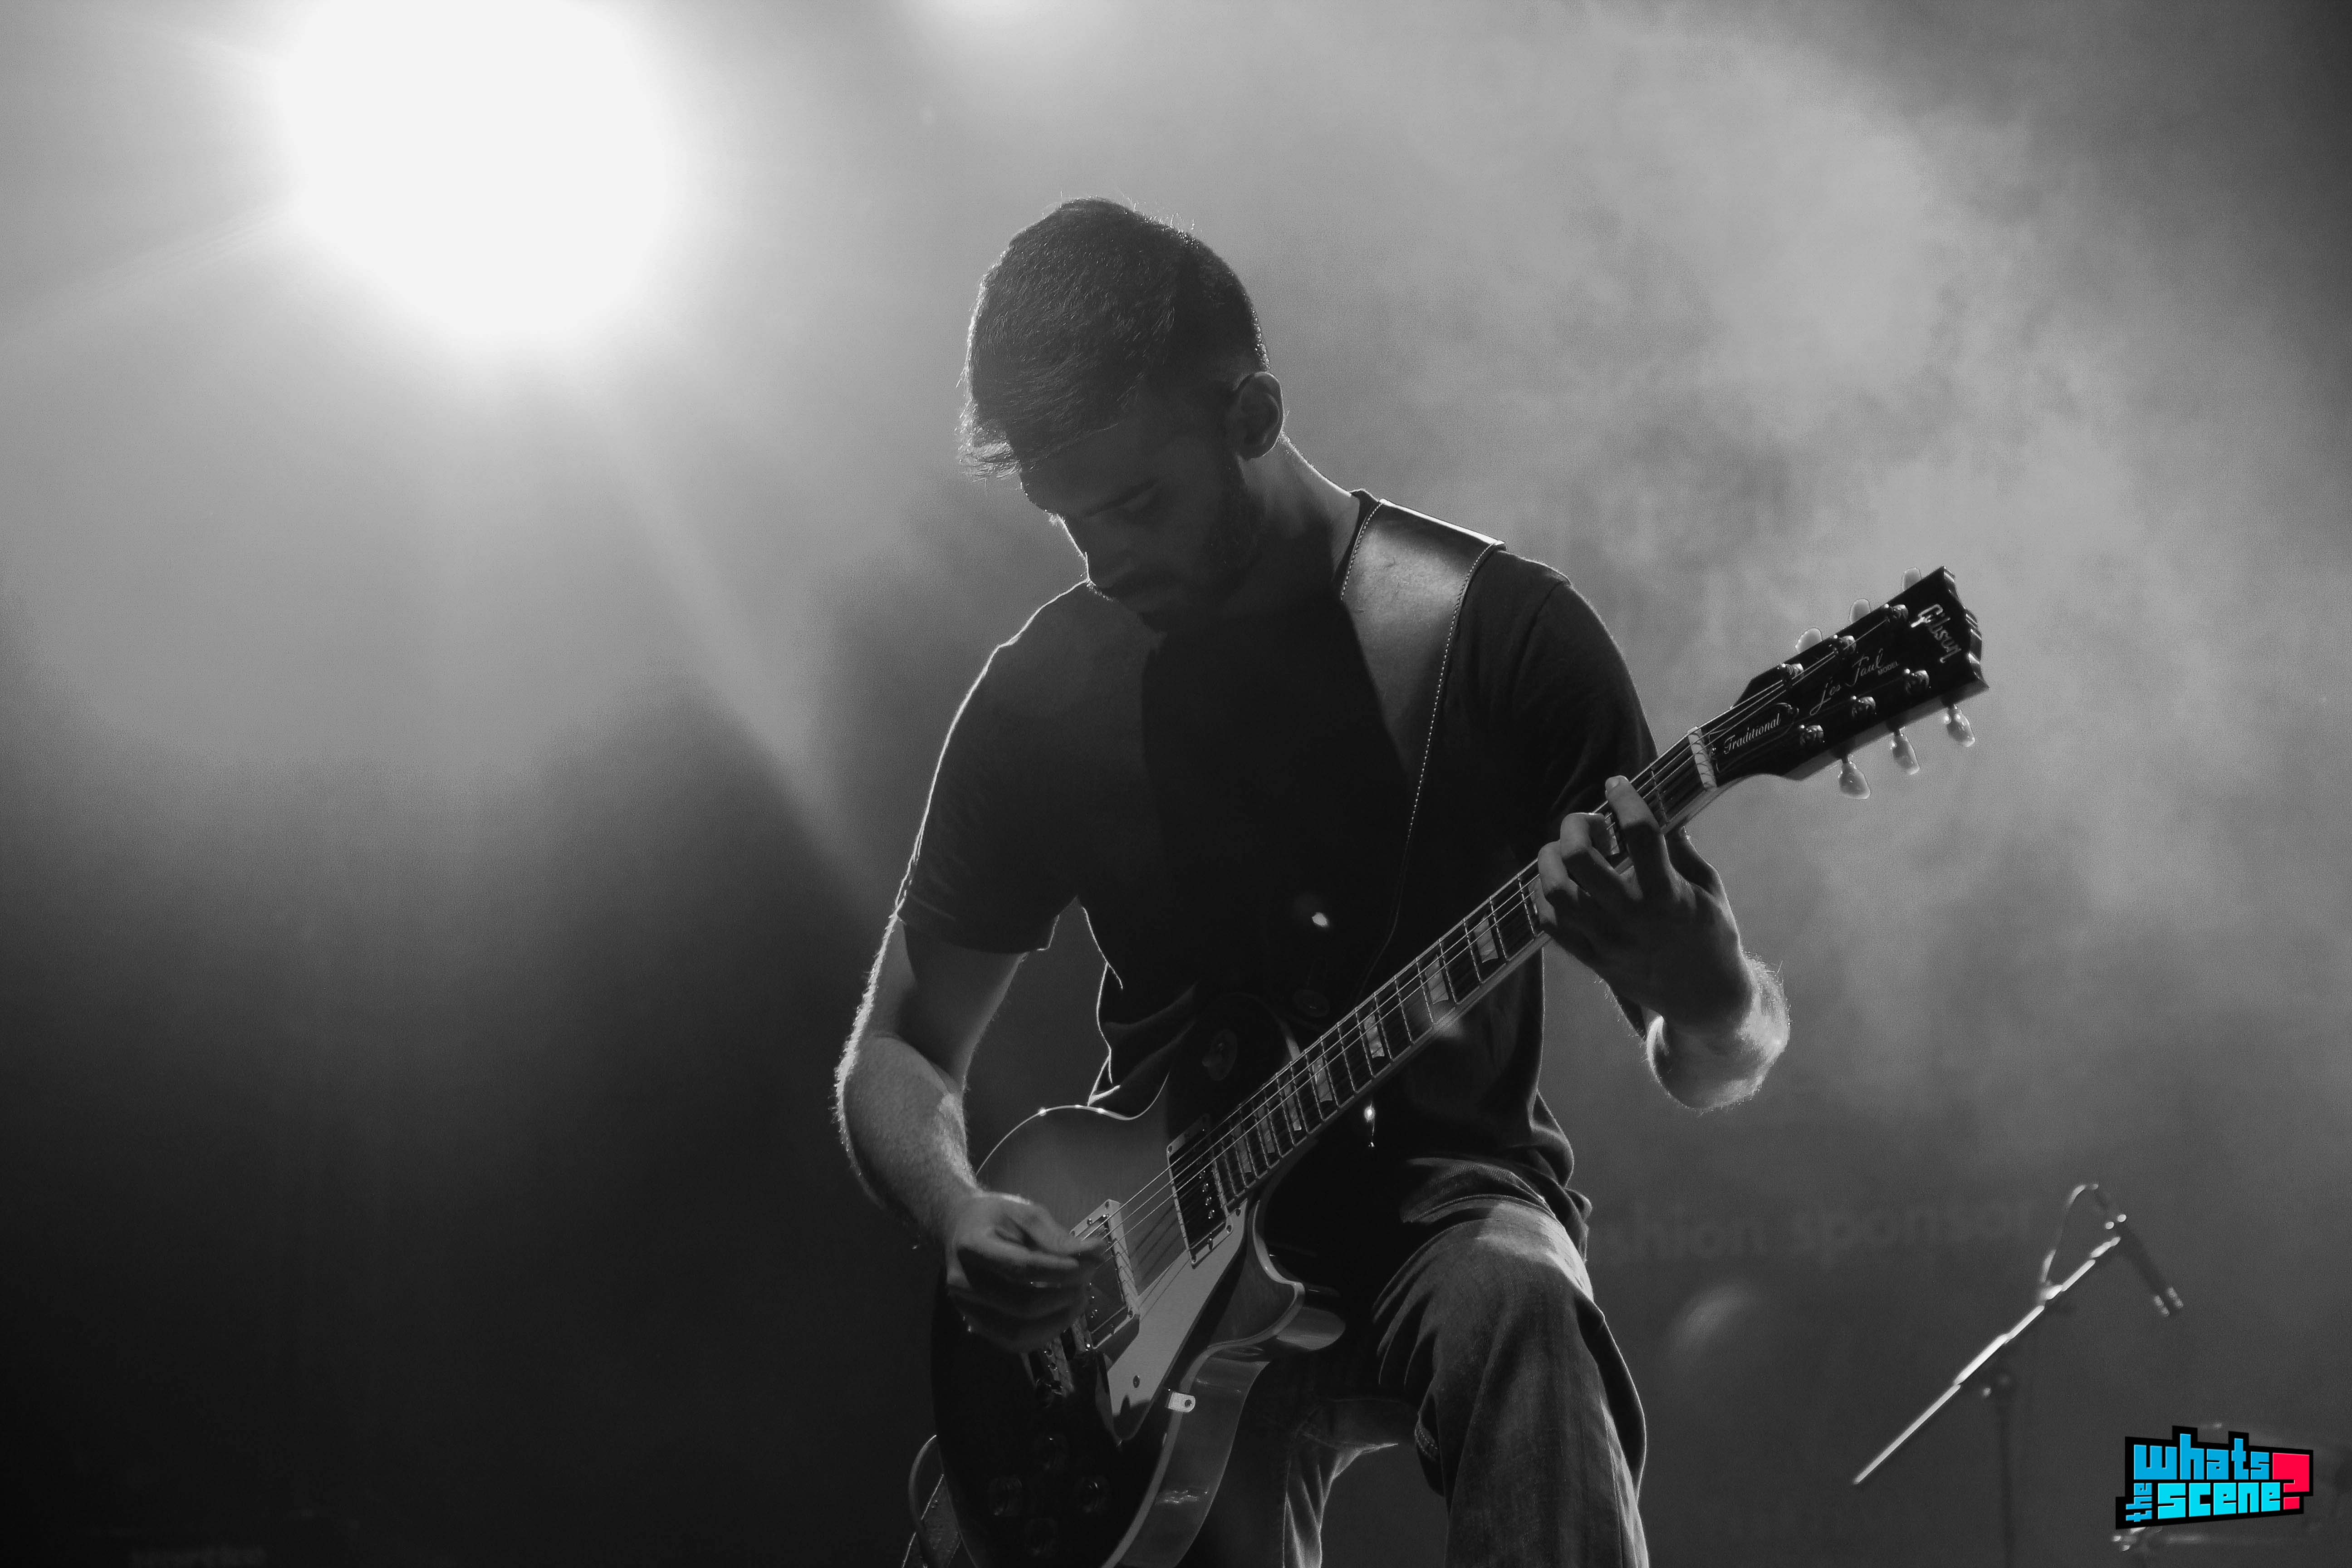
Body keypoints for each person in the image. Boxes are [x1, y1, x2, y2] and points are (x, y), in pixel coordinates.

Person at [833, 198, 1788, 1567]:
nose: (1105, 556)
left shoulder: (1502, 640)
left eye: (1138, 503)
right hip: (1151, 1262)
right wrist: (957, 1208)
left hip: (1442, 1207)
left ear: (1255, 414)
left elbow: (1722, 1058)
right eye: (1069, 517)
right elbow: (898, 1051)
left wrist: (1692, 972)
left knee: (1521, 1299)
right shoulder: (1044, 693)